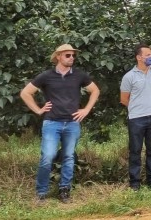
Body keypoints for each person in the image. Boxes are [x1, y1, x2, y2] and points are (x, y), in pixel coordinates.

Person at [20, 44, 100, 204]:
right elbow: (25, 93)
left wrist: (86, 110)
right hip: (52, 123)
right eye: (68, 55)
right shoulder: (46, 76)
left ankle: (65, 191)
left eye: (73, 55)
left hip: (72, 123)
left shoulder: (79, 75)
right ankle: (41, 192)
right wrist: (38, 110)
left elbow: (95, 91)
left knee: (69, 157)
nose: (72, 58)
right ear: (58, 56)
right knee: (47, 157)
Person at [120, 44, 151, 190]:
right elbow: (124, 99)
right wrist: (137, 108)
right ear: (138, 57)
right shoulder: (129, 76)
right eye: (147, 55)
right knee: (135, 150)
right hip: (136, 119)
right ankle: (135, 182)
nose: (150, 57)